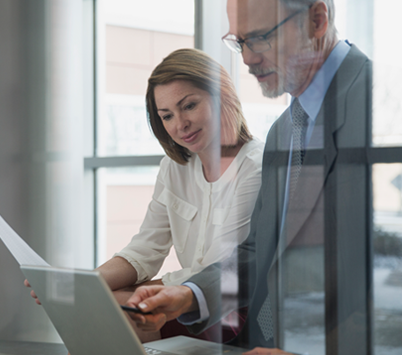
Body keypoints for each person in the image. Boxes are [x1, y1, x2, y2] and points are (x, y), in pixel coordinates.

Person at [124, 0, 372, 353]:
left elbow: (399, 269)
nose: (247, 59)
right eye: (239, 42)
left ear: (317, 20)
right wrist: (188, 294)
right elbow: (258, 253)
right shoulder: (284, 131)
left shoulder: (381, 105)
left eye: (260, 38)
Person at [27, 48, 264, 342]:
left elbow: (214, 270)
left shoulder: (255, 166)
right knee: (98, 308)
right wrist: (85, 285)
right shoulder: (174, 167)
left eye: (189, 105)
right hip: (183, 299)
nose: (180, 125)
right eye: (166, 116)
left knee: (118, 314)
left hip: (227, 307)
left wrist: (127, 296)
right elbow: (145, 249)